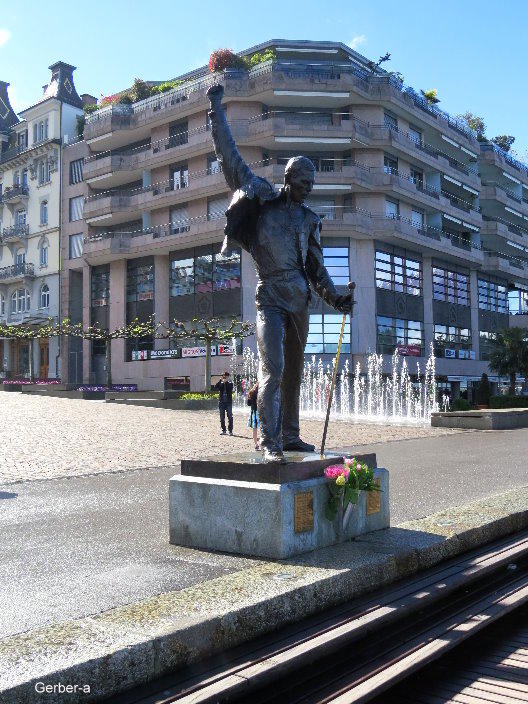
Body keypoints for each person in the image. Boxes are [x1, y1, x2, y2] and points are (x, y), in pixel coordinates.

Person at [207, 84, 354, 462]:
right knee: (273, 370)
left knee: (293, 376)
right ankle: (269, 442)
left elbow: (316, 269)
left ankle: (290, 435)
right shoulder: (262, 199)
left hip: (299, 302)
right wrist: (215, 108)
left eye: (313, 184)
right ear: (290, 178)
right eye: (304, 182)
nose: (309, 189)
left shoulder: (309, 220)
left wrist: (337, 297)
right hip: (269, 297)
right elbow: (230, 158)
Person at [215, 371, 233, 436]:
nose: (225, 377)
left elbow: (230, 388)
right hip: (221, 402)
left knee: (230, 417)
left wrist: (226, 382)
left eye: (226, 376)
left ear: (228, 377)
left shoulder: (230, 383)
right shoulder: (221, 383)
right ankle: (224, 430)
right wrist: (221, 381)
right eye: (224, 376)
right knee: (222, 417)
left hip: (228, 402)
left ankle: (230, 430)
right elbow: (216, 387)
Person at [247, 381, 260, 450]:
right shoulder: (262, 392)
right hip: (261, 412)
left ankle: (256, 444)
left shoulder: (251, 392)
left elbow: (248, 404)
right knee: (264, 429)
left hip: (254, 412)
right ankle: (262, 443)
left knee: (255, 429)